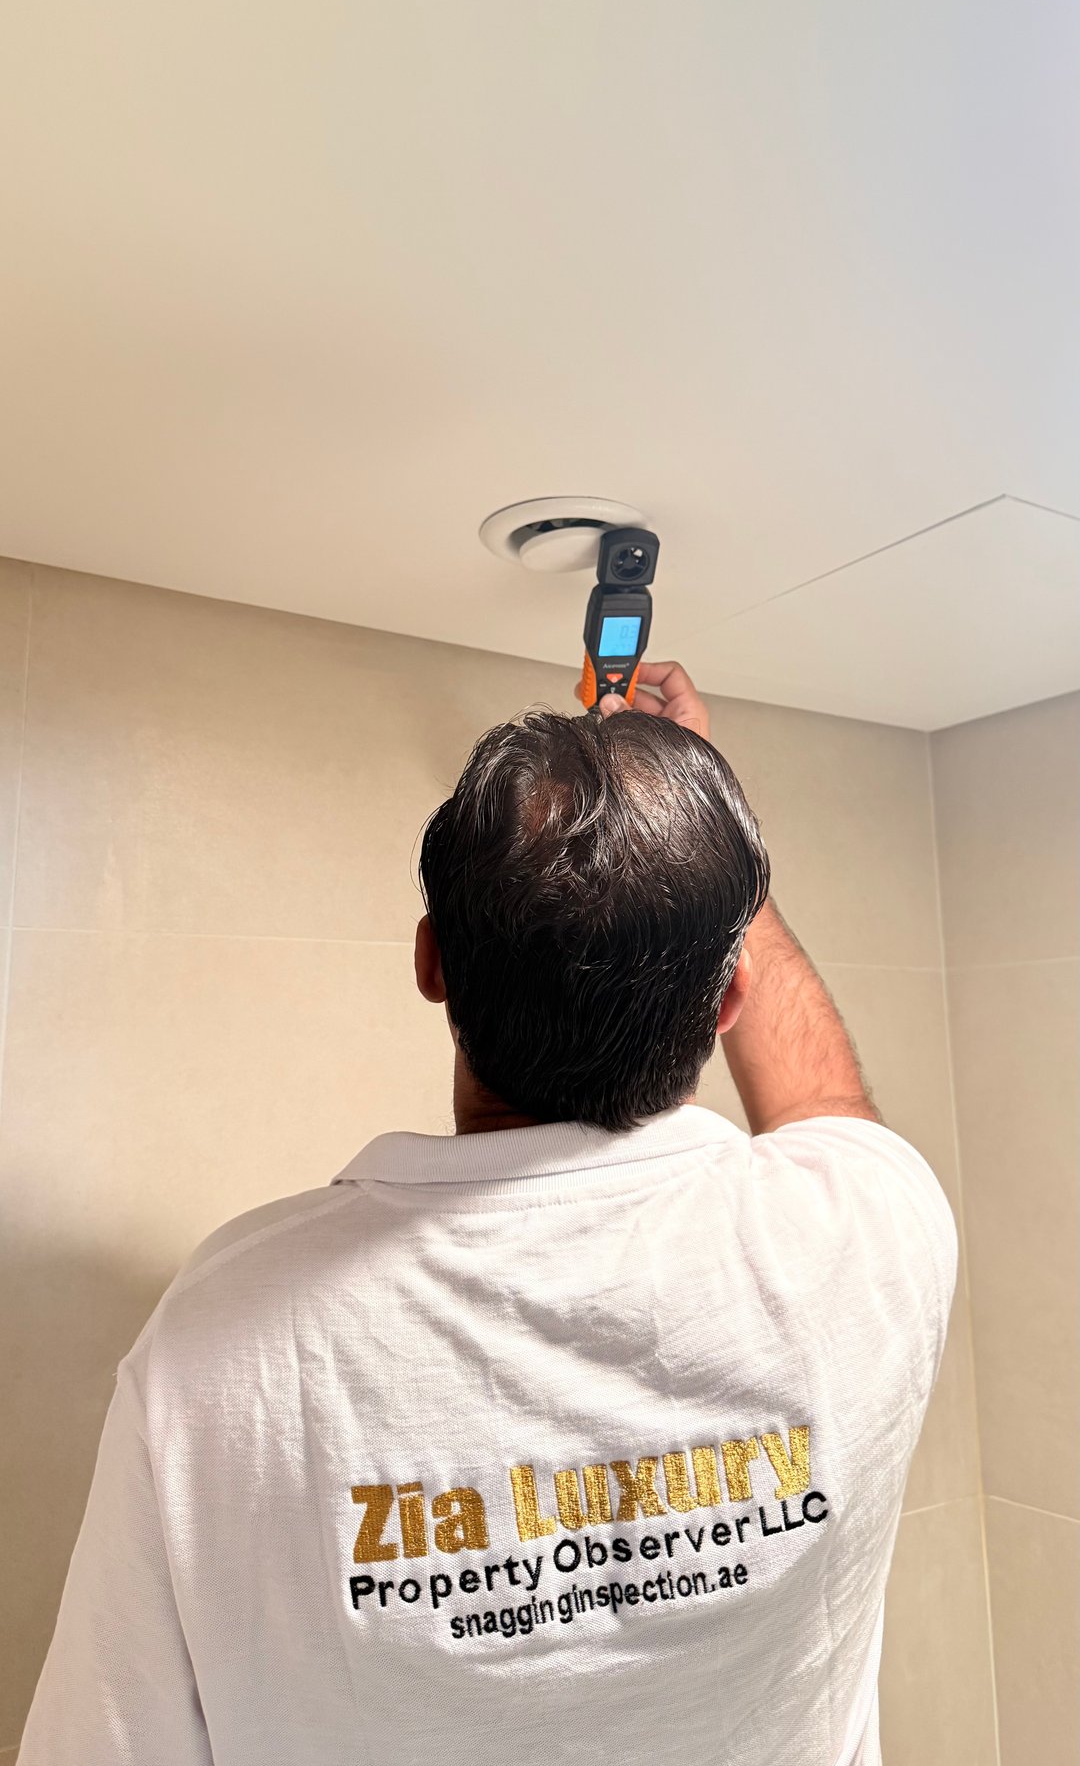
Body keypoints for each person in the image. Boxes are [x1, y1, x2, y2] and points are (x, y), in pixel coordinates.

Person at [17, 661, 956, 1766]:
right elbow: (822, 1102)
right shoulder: (869, 1238)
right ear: (730, 994)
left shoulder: (221, 1334)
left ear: (432, 964)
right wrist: (701, 831)